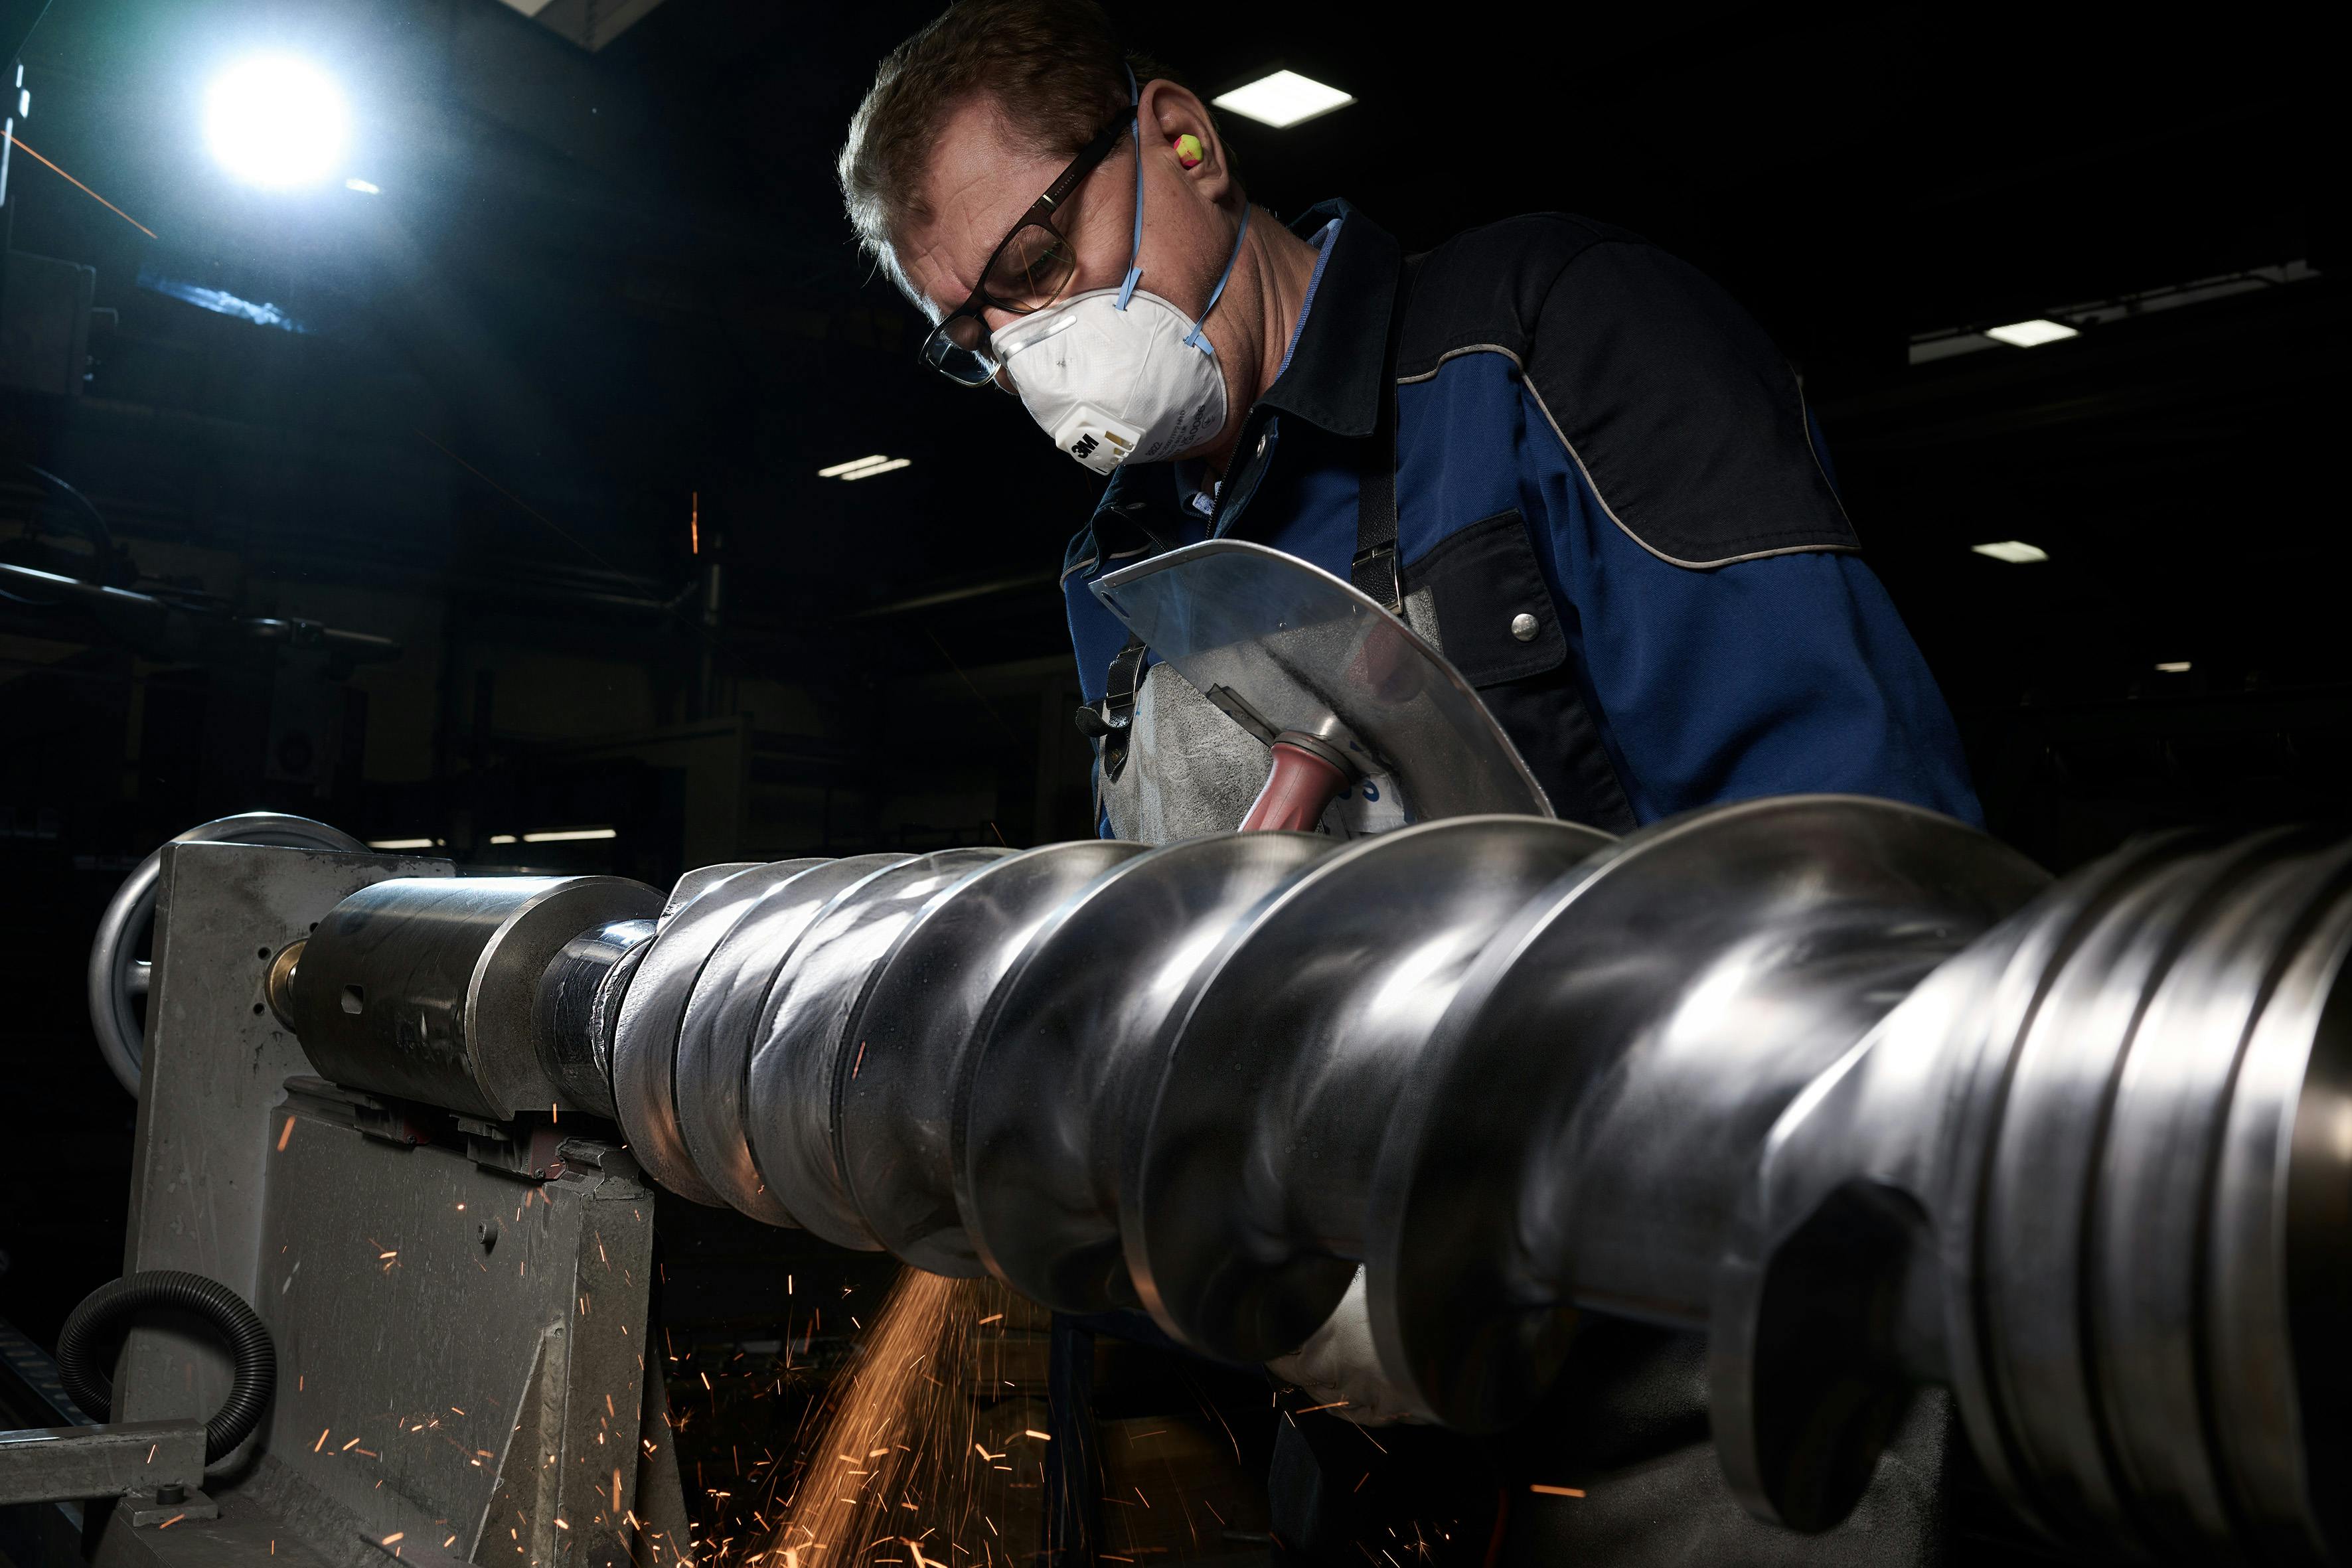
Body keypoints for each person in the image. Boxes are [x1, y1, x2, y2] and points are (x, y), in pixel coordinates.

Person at [837, 3, 1974, 1562]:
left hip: (1720, 1392)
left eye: (1038, 261)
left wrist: (1506, 1211)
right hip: (1369, 1419)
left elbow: (1868, 891)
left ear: (1184, 142)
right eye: (978, 334)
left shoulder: (1548, 343)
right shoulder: (1122, 572)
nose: (1033, 346)